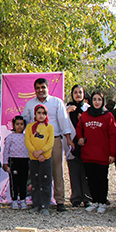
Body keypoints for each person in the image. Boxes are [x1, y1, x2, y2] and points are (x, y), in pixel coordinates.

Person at [22, 78, 73, 212]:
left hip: (53, 140)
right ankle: (37, 203)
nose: (41, 90)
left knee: (56, 171)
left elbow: (63, 121)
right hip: (35, 143)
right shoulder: (30, 104)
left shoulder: (56, 102)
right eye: (38, 88)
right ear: (35, 89)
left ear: (47, 88)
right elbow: (25, 121)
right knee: (37, 174)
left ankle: (60, 201)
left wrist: (68, 138)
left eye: (43, 87)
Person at [75, 91, 116, 214]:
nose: (97, 102)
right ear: (91, 101)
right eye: (94, 99)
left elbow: (113, 135)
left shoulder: (108, 116)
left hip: (102, 154)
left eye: (99, 99)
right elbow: (79, 129)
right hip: (88, 153)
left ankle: (102, 202)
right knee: (91, 179)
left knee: (102, 179)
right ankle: (95, 201)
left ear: (103, 101)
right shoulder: (85, 115)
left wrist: (112, 153)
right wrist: (80, 138)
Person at [25, 104, 54, 216]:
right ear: (35, 114)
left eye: (44, 113)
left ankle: (45, 205)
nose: (41, 115)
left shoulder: (49, 127)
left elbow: (50, 142)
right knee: (35, 181)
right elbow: (28, 141)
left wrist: (41, 152)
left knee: (45, 181)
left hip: (45, 158)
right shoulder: (30, 127)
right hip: (34, 159)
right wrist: (35, 153)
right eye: (39, 113)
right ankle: (36, 204)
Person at [66, 84, 91, 207]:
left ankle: (87, 197)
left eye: (80, 92)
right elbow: (62, 122)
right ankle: (76, 197)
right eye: (75, 92)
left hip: (85, 142)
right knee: (74, 171)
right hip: (71, 142)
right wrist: (66, 112)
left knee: (85, 171)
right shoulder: (67, 107)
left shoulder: (88, 108)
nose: (78, 94)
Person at [3, 116, 29, 210]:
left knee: (23, 180)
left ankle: (23, 199)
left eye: (21, 124)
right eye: (17, 124)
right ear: (13, 125)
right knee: (14, 181)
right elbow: (6, 151)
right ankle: (14, 200)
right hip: (14, 160)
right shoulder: (10, 137)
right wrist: (5, 162)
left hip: (25, 160)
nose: (19, 126)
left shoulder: (27, 136)